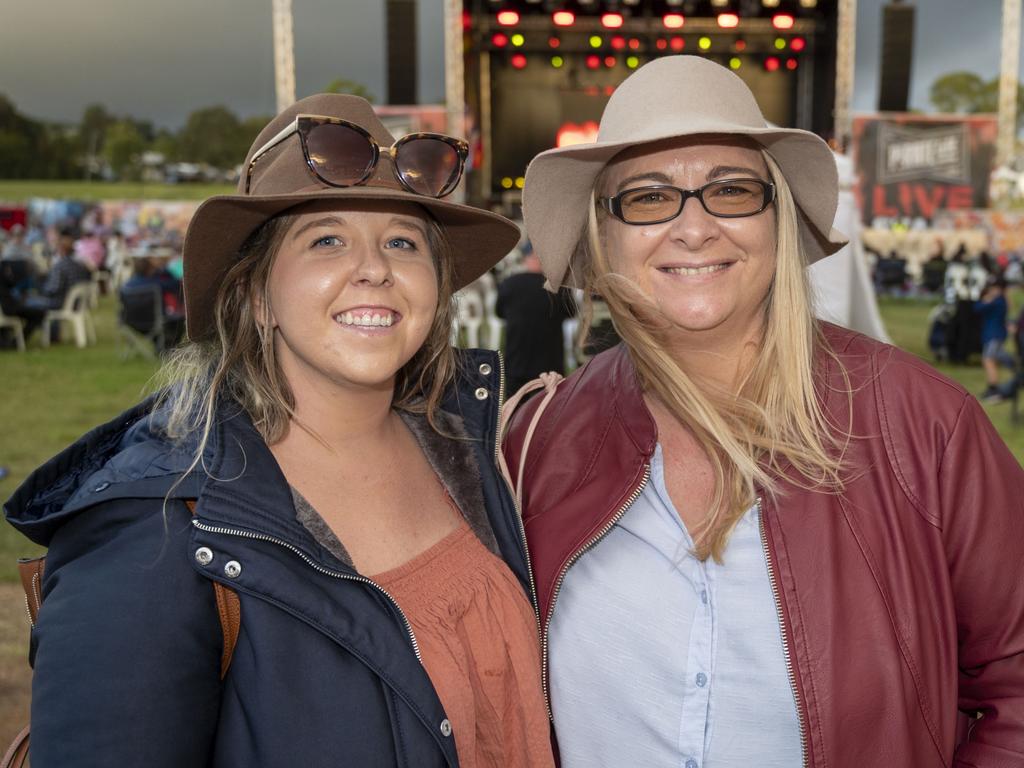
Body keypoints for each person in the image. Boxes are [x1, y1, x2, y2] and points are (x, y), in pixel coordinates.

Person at [503, 56, 1024, 767]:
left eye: (731, 190)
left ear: (777, 218)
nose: (694, 228)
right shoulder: (538, 441)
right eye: (650, 198)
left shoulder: (926, 427)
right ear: (604, 234)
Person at [5, 94, 553, 768]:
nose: (375, 268)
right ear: (256, 295)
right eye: (326, 238)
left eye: (403, 242)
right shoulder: (157, 529)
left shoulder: (468, 448)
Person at [496, 242, 576, 394]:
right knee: (549, 412)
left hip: (517, 363)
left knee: (516, 412)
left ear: (526, 258)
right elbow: (571, 313)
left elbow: (499, 313)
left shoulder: (509, 284)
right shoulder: (557, 287)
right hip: (550, 368)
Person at [975, 277, 1015, 402]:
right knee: (996, 358)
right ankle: (994, 387)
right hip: (992, 335)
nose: (991, 290)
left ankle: (994, 388)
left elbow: (978, 308)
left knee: (989, 360)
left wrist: (986, 300)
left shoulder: (998, 301)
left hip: (994, 335)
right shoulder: (999, 300)